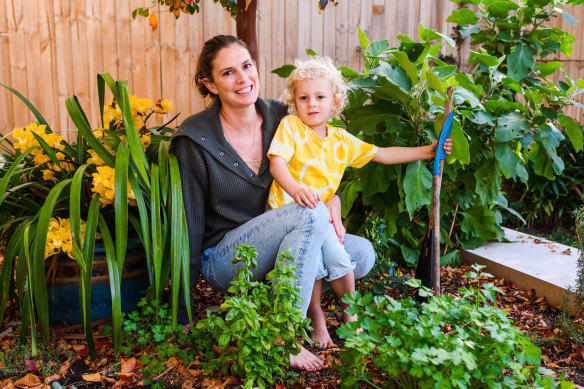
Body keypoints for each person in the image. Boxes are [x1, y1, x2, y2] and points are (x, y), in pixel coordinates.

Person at [170, 35, 375, 371]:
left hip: (291, 234)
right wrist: (183, 310)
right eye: (227, 73)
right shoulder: (195, 139)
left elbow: (320, 167)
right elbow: (190, 223)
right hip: (227, 258)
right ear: (209, 83)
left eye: (247, 66)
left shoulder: (284, 116)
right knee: (309, 214)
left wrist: (334, 201)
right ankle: (284, 335)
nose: (243, 79)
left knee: (361, 253)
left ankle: (289, 302)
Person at [267, 57, 453, 347]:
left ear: (335, 102)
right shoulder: (291, 127)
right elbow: (277, 164)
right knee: (313, 262)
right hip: (289, 216)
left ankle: (349, 318)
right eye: (303, 98)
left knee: (340, 259)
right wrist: (295, 189)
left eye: (320, 97)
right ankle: (317, 321)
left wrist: (430, 151)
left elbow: (385, 153)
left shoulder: (341, 140)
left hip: (320, 217)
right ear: (294, 101)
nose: (311, 104)